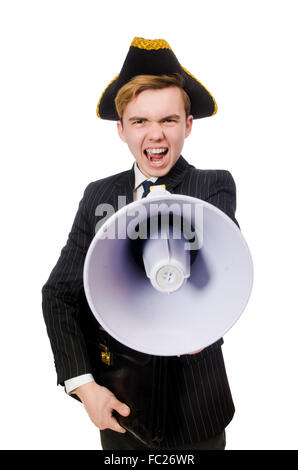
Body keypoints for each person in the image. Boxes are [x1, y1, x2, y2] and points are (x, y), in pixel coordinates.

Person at [42, 37, 239, 450]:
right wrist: (84, 387)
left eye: (169, 120)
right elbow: (59, 294)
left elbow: (226, 270)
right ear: (121, 129)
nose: (156, 135)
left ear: (188, 124)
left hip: (198, 415)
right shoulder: (99, 195)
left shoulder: (213, 185)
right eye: (140, 121)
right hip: (121, 411)